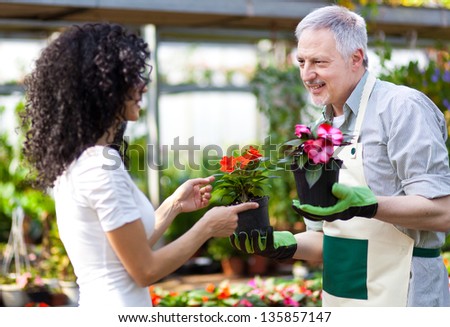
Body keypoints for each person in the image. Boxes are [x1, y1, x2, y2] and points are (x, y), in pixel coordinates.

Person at [21, 23, 258, 307]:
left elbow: (123, 250)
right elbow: (145, 270)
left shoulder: (80, 160)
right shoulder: (98, 168)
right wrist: (207, 227)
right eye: (130, 77)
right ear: (102, 88)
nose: (143, 85)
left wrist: (173, 206)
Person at [232, 5, 450, 307]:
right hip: (342, 297)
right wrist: (278, 244)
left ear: (356, 58)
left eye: (319, 62)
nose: (308, 74)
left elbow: (443, 212)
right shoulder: (317, 131)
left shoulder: (401, 108)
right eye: (301, 62)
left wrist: (368, 206)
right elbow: (326, 240)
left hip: (406, 295)